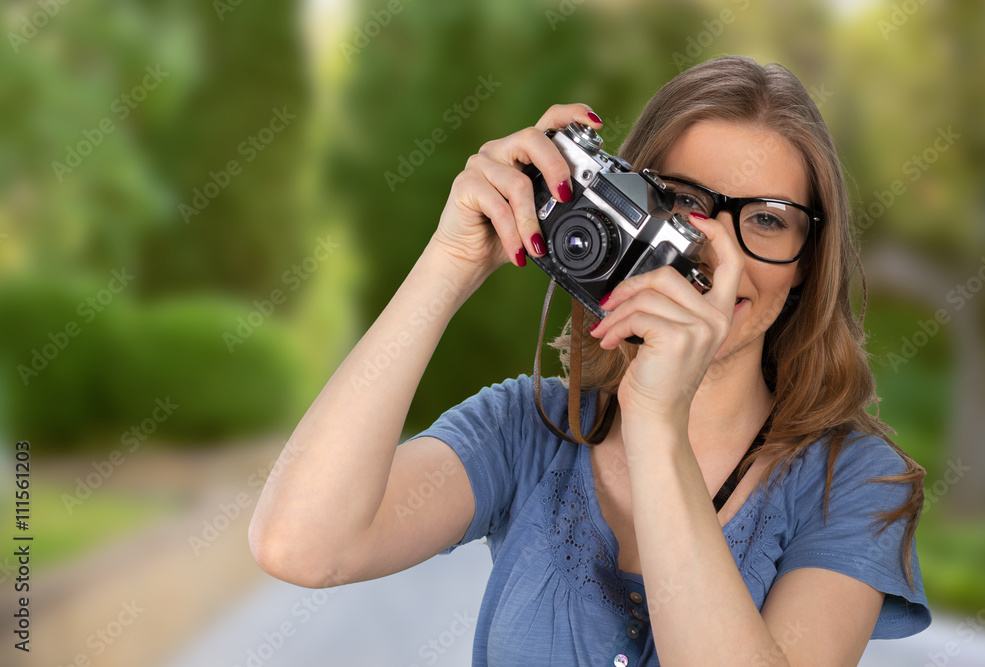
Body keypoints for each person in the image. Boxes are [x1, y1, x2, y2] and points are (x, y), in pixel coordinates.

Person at [249, 56, 931, 665]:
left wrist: (658, 424)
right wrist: (451, 261)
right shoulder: (531, 424)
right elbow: (301, 544)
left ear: (809, 264)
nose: (713, 253)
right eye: (685, 203)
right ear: (621, 205)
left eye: (768, 219)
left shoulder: (857, 482)